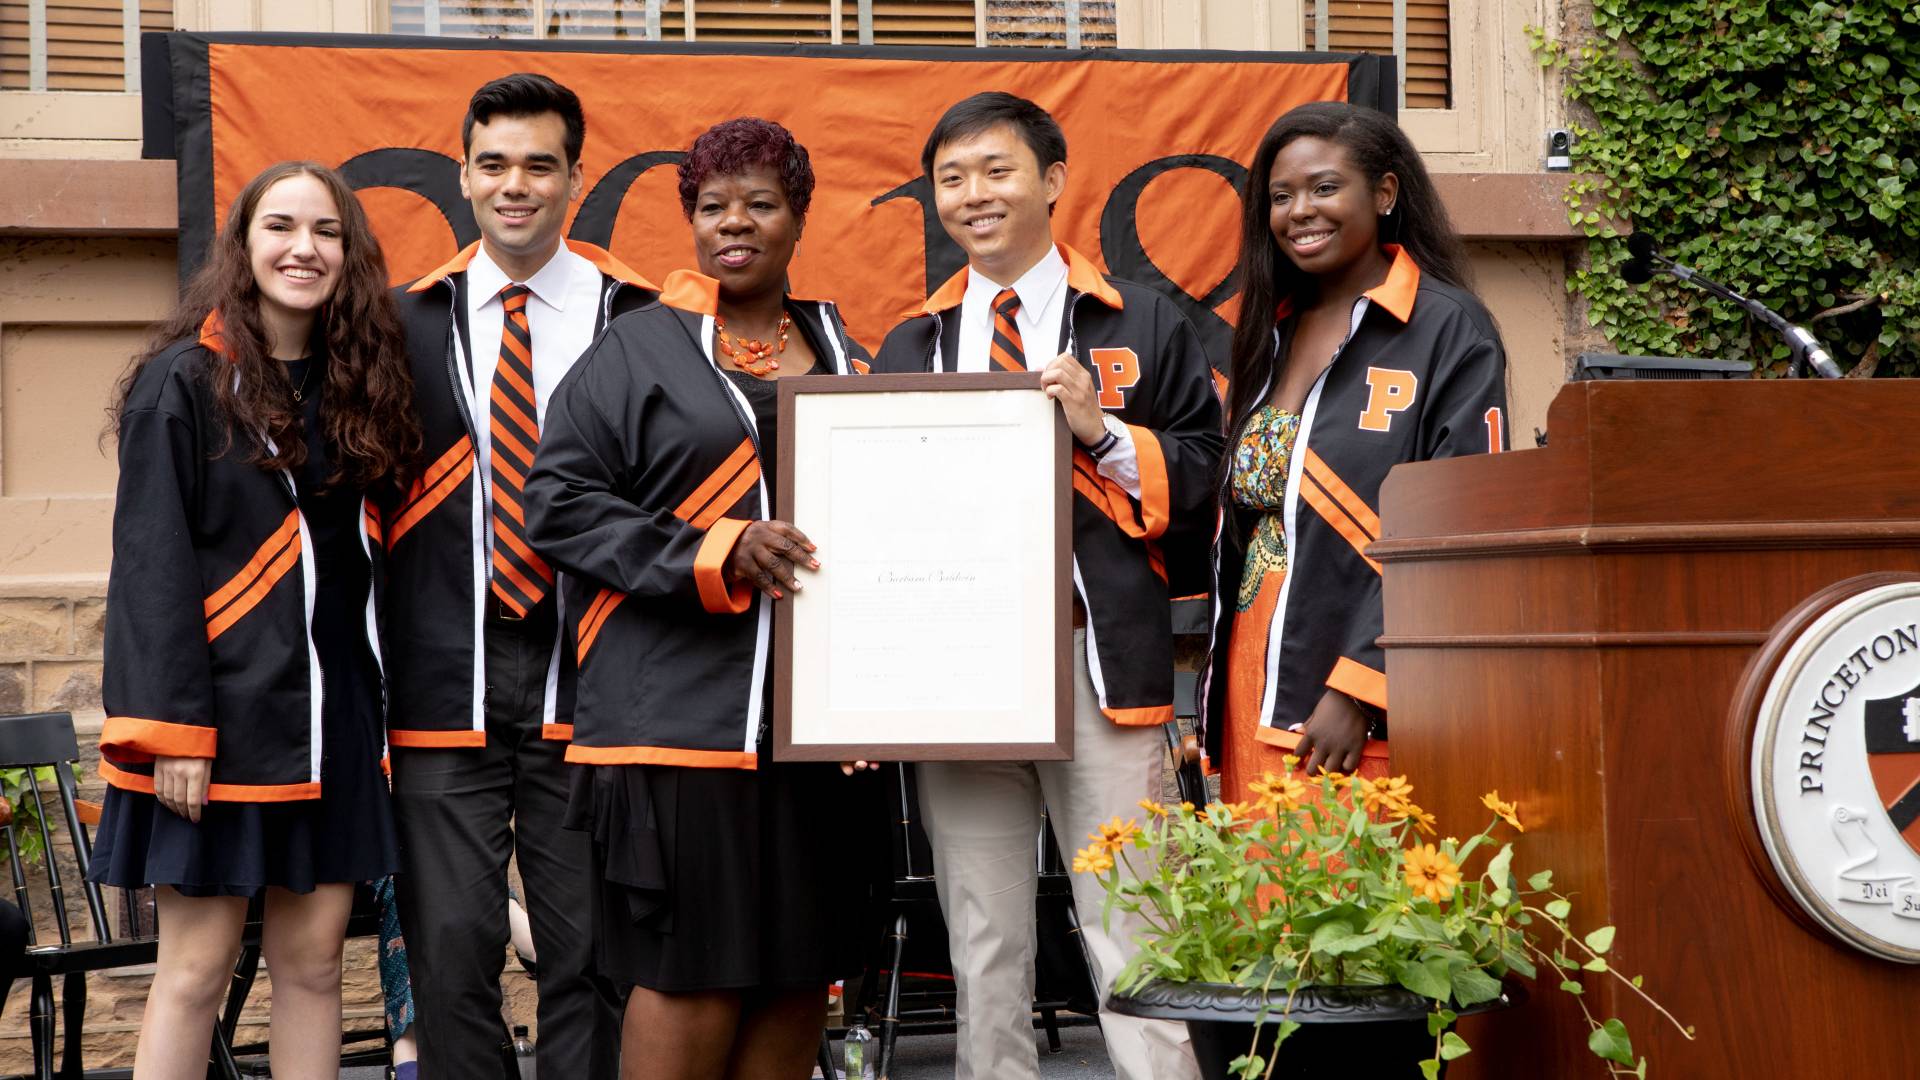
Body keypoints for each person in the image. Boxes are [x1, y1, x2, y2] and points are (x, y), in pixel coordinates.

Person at [870, 91, 1220, 1080]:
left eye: (996, 169)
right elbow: (882, 521)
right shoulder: (912, 344)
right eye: (951, 178)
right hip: (962, 679)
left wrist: (1103, 433)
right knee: (983, 944)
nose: (974, 195)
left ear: (1054, 180)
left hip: (1098, 660)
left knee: (1136, 928)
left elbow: (1207, 477)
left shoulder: (1141, 321)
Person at [525, 116, 882, 1080]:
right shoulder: (637, 348)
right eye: (714, 205)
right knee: (695, 974)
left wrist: (884, 693)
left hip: (816, 734)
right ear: (689, 221)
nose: (737, 223)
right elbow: (555, 506)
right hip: (680, 723)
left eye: (761, 204)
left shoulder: (849, 353)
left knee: (800, 971)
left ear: (797, 218)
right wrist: (713, 549)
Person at [88, 160, 420, 1079]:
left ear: (349, 254)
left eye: (325, 231)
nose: (302, 248)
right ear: (241, 245)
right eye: (280, 227)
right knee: (195, 971)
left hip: (335, 725)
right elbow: (149, 571)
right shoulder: (182, 384)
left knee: (313, 968)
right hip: (219, 727)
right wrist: (175, 733)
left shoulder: (364, 383)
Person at [382, 71, 657, 1080]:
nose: (516, 185)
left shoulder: (643, 320)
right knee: (451, 949)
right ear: (462, 175)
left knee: (588, 951)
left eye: (540, 165)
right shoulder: (404, 320)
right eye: (493, 163)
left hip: (590, 678)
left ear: (577, 178)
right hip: (442, 675)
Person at [1198, 101, 1508, 798]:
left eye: (1324, 188)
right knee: (1262, 892)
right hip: (1258, 659)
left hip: (1350, 686)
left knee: (1339, 896)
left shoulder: (1447, 329)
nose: (1300, 211)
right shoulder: (1268, 331)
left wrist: (1365, 684)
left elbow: (1459, 524)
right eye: (1281, 196)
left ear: (1385, 193)